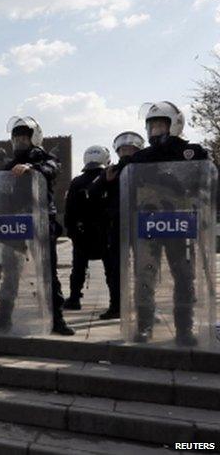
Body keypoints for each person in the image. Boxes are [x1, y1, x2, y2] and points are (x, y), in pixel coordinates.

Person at [122, 101, 210, 345]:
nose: (155, 130)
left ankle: (184, 328)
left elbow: (207, 184)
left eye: (161, 125)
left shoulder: (192, 152)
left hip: (181, 225)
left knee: (183, 276)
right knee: (145, 276)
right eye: (152, 126)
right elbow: (125, 188)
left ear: (174, 125)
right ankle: (144, 326)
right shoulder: (140, 158)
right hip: (147, 225)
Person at [0, 117, 74, 336]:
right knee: (10, 273)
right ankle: (4, 317)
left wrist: (31, 167)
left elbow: (52, 169)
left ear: (34, 138)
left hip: (40, 221)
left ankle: (57, 319)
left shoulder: (45, 158)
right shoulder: (8, 165)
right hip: (15, 225)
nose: (19, 142)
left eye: (24, 137)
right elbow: (0, 194)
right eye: (16, 138)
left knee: (47, 272)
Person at [88, 131, 144, 320]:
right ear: (118, 151)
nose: (127, 152)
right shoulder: (111, 170)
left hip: (142, 225)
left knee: (144, 268)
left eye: (131, 148)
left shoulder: (146, 167)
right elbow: (92, 192)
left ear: (138, 150)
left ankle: (144, 306)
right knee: (115, 269)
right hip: (117, 225)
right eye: (123, 149)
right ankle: (116, 306)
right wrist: (105, 180)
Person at [63, 145, 112, 311]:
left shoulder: (77, 182)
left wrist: (71, 232)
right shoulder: (109, 179)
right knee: (110, 270)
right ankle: (115, 303)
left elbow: (69, 210)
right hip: (106, 233)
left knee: (78, 268)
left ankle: (74, 299)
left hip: (82, 233)